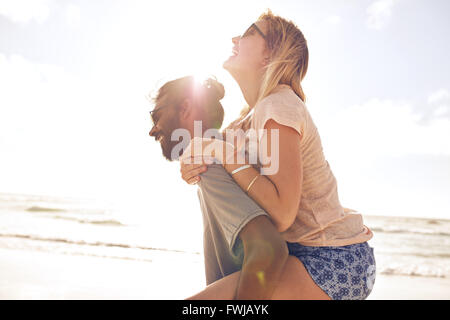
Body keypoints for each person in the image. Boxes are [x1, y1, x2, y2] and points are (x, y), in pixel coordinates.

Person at [179, 10, 376, 300]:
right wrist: (192, 164)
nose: (235, 38)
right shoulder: (248, 118)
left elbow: (282, 215)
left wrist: (223, 151)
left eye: (248, 33)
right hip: (298, 255)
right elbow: (217, 156)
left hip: (333, 259)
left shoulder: (279, 104)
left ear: (270, 56)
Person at [149, 76, 291, 299]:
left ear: (185, 107)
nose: (153, 129)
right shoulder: (226, 155)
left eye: (155, 115)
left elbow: (268, 251)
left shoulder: (209, 165)